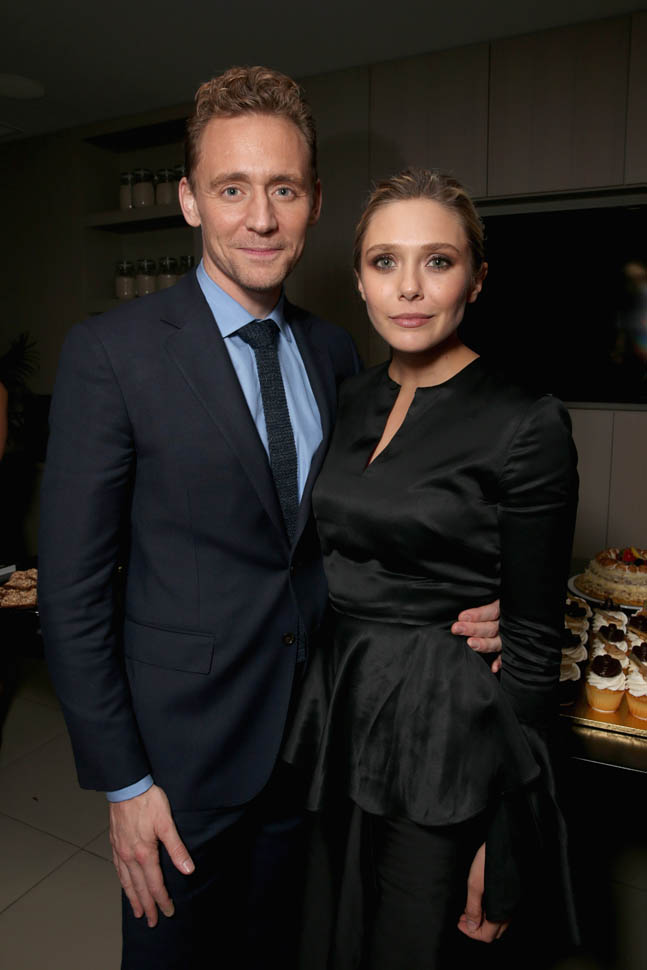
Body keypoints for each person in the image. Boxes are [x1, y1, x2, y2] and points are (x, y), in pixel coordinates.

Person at [38, 71, 501, 970]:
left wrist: (480, 609)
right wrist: (124, 782)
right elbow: (72, 592)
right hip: (181, 764)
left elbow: (360, 533)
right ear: (188, 200)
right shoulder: (111, 354)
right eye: (232, 189)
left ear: (314, 202)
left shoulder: (334, 349)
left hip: (315, 744)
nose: (260, 218)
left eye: (282, 190)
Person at [283, 169, 579, 969]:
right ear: (359, 279)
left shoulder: (525, 420)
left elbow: (530, 649)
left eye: (437, 262)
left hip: (445, 734)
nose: (408, 287)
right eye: (384, 261)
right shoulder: (346, 397)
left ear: (475, 279)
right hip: (339, 707)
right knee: (328, 937)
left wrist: (503, 832)